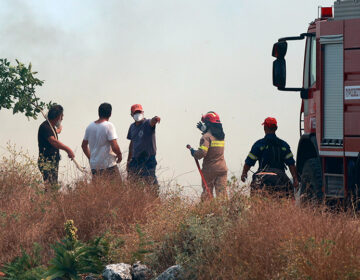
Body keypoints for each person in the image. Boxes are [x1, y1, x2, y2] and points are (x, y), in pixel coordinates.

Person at [241, 117, 299, 195]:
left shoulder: (258, 144)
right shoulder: (284, 145)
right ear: (276, 128)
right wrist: (295, 180)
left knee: (256, 200)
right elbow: (291, 164)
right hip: (280, 178)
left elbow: (249, 162)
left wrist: (244, 174)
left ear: (264, 128)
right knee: (290, 196)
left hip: (261, 177)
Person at [189, 111, 228, 201]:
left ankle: (207, 213)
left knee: (207, 195)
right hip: (222, 169)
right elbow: (213, 135)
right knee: (222, 196)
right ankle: (224, 213)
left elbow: (201, 153)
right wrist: (205, 130)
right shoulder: (221, 137)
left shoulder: (206, 137)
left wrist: (193, 152)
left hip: (210, 170)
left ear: (208, 124)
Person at [81, 103, 122, 179]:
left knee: (98, 189)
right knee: (117, 188)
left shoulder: (90, 127)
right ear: (110, 114)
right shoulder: (109, 125)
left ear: (99, 112)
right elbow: (114, 146)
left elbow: (83, 145)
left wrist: (91, 157)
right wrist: (119, 155)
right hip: (108, 165)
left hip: (95, 166)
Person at [38, 104, 75, 186]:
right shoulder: (45, 127)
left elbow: (53, 134)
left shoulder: (51, 127)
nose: (62, 118)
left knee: (53, 185)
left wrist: (58, 130)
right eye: (62, 116)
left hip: (52, 161)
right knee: (51, 187)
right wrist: (68, 149)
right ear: (58, 117)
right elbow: (53, 141)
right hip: (46, 162)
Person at [126, 104, 160, 186]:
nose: (138, 114)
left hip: (148, 160)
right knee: (134, 184)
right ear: (131, 115)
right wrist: (128, 160)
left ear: (143, 113)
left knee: (151, 185)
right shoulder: (132, 127)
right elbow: (131, 144)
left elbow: (152, 122)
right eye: (135, 113)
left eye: (139, 112)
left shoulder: (147, 123)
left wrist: (156, 118)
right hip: (136, 160)